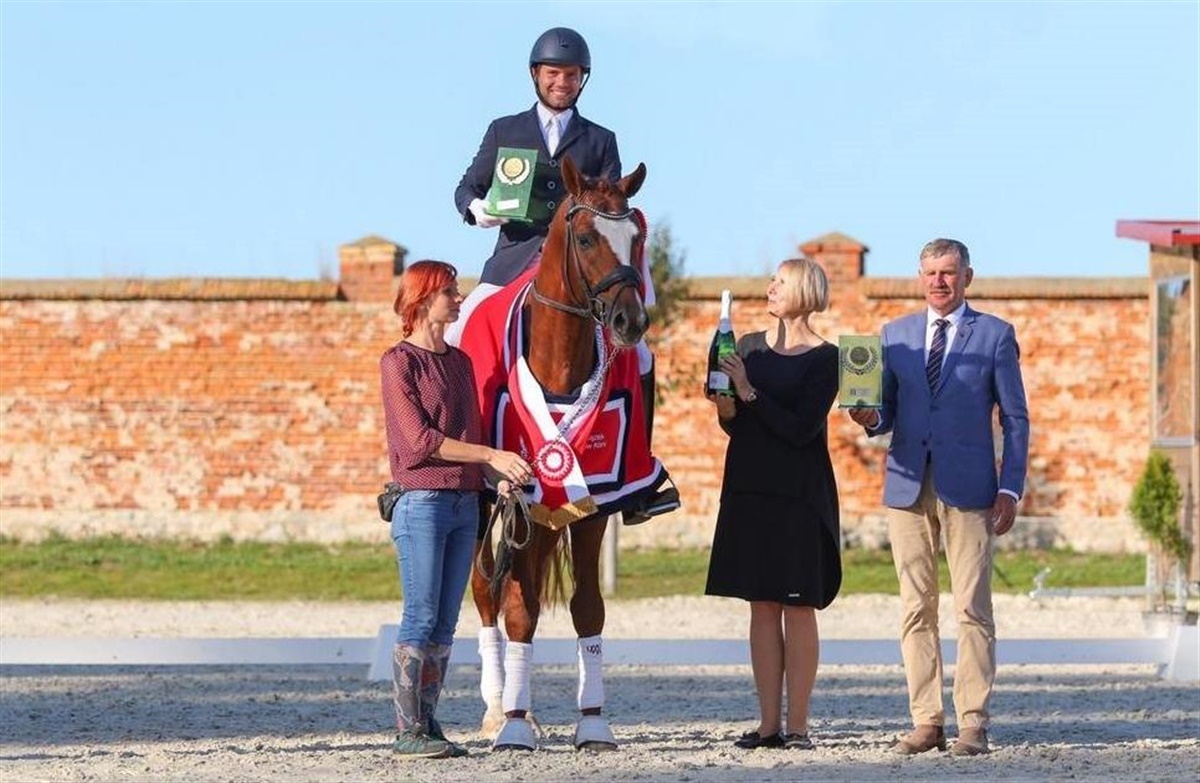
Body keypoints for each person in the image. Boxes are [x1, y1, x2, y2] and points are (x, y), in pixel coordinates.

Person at [450, 25, 665, 523]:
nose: (561, 83)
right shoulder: (505, 130)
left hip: (578, 271)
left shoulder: (600, 139)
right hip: (512, 261)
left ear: (582, 80)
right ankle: (461, 470)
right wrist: (479, 210)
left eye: (570, 75)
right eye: (553, 74)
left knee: (642, 355)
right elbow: (466, 188)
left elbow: (612, 203)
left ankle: (638, 479)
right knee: (459, 333)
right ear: (536, 75)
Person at [848, 238, 1030, 757]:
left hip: (971, 488)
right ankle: (926, 721)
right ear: (919, 277)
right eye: (930, 272)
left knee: (972, 607)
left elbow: (1016, 419)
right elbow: (884, 412)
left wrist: (1010, 486)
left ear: (967, 277)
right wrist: (868, 417)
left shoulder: (995, 335)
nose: (939, 281)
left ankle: (973, 722)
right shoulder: (895, 335)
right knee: (915, 607)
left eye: (948, 272)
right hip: (907, 487)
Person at [379, 259, 532, 759]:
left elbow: (469, 437)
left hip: (466, 504)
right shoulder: (398, 363)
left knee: (445, 620)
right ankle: (408, 729)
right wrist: (490, 455)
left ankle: (428, 721)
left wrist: (495, 476)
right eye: (451, 291)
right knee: (420, 613)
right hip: (421, 503)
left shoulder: (461, 363)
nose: (459, 299)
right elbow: (419, 441)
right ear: (424, 298)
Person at [704, 258, 843, 751]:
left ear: (803, 290)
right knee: (761, 606)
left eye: (780, 282)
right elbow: (734, 424)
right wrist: (724, 398)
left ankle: (798, 726)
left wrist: (746, 389)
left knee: (799, 606)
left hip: (800, 496)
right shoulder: (746, 348)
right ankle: (767, 726)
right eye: (772, 281)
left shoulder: (827, 358)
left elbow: (802, 429)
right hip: (750, 489)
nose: (770, 288)